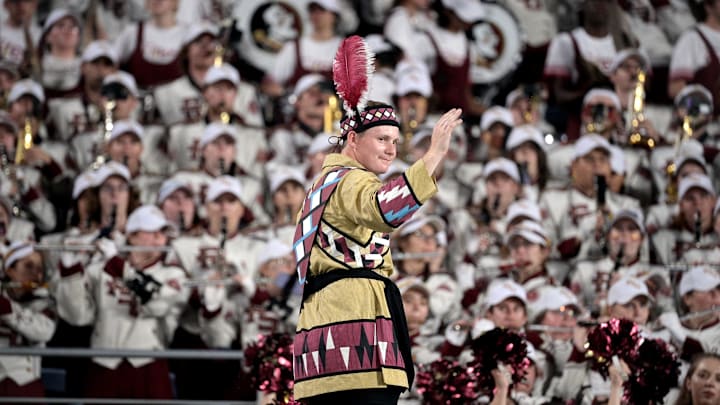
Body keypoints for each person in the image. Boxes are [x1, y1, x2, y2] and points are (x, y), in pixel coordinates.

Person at [292, 35, 463, 404]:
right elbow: (385, 210)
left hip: (329, 338)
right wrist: (433, 155)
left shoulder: (326, 183)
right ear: (352, 139)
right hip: (354, 342)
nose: (391, 149)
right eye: (383, 138)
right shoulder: (350, 180)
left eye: (396, 141)